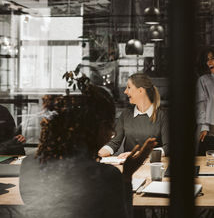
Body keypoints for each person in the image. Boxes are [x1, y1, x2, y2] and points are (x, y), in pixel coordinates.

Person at [19, 85, 156, 218]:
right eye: (109, 126)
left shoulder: (28, 165)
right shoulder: (106, 175)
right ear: (98, 128)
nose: (112, 133)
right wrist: (126, 177)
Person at [98, 73, 168, 158]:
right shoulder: (126, 114)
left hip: (152, 167)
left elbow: (167, 148)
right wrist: (98, 154)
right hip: (130, 166)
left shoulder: (162, 115)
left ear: (140, 91)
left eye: (129, 87)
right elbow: (114, 143)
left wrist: (139, 154)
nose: (125, 91)